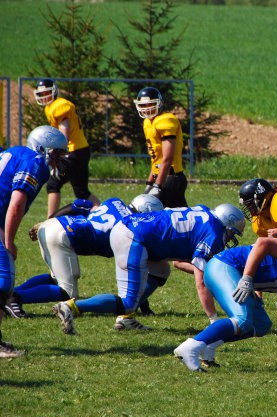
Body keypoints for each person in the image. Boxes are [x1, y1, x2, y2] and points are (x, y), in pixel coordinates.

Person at [52, 204, 245, 335]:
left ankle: (126, 319)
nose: (229, 240)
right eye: (231, 234)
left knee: (161, 270)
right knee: (127, 301)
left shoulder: (205, 215)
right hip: (133, 237)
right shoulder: (213, 232)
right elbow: (201, 282)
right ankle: (71, 307)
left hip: (136, 234)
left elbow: (180, 263)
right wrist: (214, 319)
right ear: (227, 226)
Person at [173, 228, 277, 372]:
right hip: (225, 266)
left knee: (261, 325)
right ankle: (191, 347)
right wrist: (247, 278)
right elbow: (263, 243)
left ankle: (209, 344)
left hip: (237, 274)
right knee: (242, 320)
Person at [4, 195, 163, 322]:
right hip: (64, 235)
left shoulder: (115, 202)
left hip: (56, 225)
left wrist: (47, 221)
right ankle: (16, 298)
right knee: (68, 292)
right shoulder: (130, 228)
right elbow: (134, 269)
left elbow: (80, 204)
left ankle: (10, 294)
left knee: (56, 279)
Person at [0, 125, 67, 357]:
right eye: (57, 154)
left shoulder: (16, 152)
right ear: (42, 149)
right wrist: (9, 241)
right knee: (3, 280)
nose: (59, 160)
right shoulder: (36, 162)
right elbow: (16, 203)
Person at [33, 79, 100, 217]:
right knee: (81, 191)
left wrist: (55, 153)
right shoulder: (50, 107)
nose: (44, 96)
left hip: (73, 151)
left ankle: (48, 222)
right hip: (81, 150)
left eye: (47, 92)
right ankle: (103, 213)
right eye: (42, 93)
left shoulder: (60, 106)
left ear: (54, 91)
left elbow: (64, 135)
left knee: (53, 184)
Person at [133, 87, 188, 208]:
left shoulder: (166, 120)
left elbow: (168, 158)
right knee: (178, 217)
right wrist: (149, 182)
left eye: (151, 104)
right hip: (162, 177)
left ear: (159, 103)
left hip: (171, 178)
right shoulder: (148, 122)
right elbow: (157, 158)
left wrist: (157, 186)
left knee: (147, 213)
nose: (147, 108)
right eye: (144, 105)